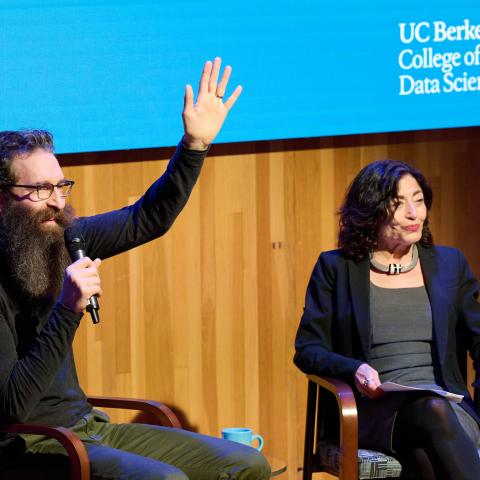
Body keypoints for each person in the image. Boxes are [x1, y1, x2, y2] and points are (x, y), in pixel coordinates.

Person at [0, 58, 270, 479]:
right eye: (39, 189)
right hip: (33, 443)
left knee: (246, 464)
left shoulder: (65, 239)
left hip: (89, 429)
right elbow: (12, 406)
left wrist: (193, 147)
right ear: (2, 200)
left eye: (60, 186)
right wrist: (67, 310)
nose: (56, 201)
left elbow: (148, 218)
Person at [294, 160, 480, 479]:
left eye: (418, 200)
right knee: (430, 412)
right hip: (374, 411)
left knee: (425, 452)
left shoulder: (450, 264)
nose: (414, 213)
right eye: (399, 203)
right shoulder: (336, 268)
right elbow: (308, 349)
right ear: (371, 211)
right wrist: (354, 369)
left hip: (449, 408)